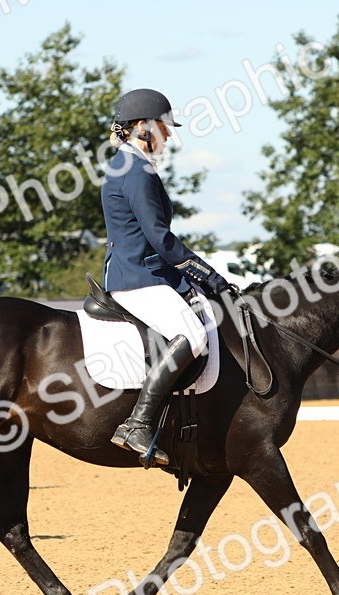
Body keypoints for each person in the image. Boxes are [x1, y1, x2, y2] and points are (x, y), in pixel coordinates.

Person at [100, 88, 233, 466]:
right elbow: (159, 237)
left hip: (143, 271)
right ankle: (137, 424)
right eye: (164, 127)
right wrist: (209, 275)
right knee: (191, 334)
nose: (169, 135)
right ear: (142, 127)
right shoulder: (135, 169)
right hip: (136, 276)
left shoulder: (129, 164)